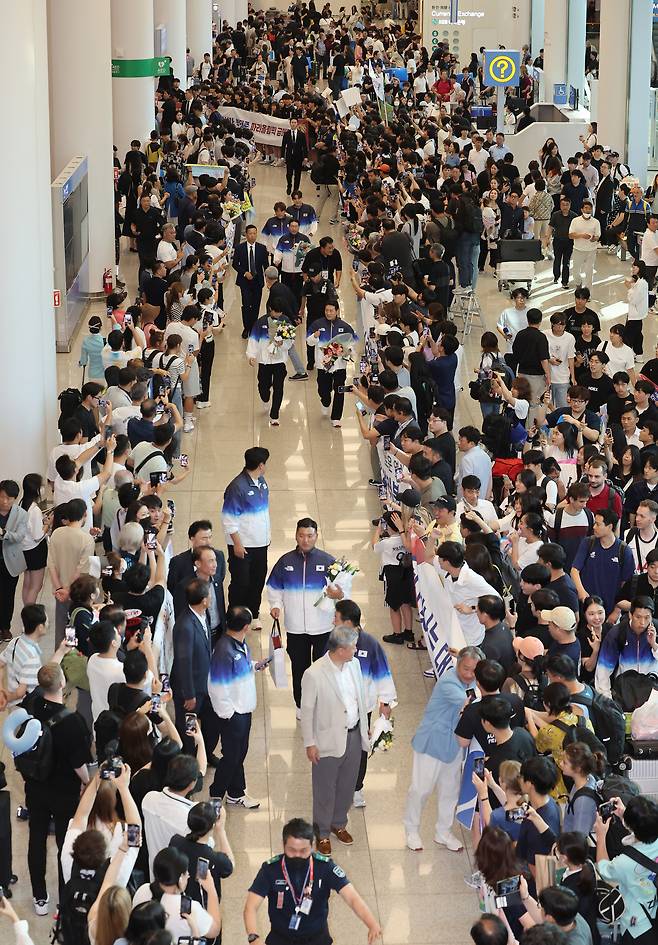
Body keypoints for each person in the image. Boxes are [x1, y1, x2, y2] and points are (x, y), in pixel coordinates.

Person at [244, 817, 382, 945]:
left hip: (317, 938)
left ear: (313, 846)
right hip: (280, 938)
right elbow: (251, 906)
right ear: (283, 844)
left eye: (303, 850)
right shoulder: (271, 869)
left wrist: (371, 923)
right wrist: (253, 938)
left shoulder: (325, 867)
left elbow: (352, 898)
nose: (297, 855)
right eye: (292, 850)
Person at [22, 663, 92, 914]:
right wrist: (88, 782)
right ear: (63, 684)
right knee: (66, 843)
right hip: (65, 792)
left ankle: (39, 897)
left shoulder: (30, 707)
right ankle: (65, 896)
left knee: (36, 839)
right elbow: (80, 766)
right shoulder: (72, 721)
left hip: (36, 785)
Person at [404, 645, 484, 852]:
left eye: (474, 670)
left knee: (450, 790)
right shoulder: (449, 682)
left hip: (455, 745)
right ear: (458, 664)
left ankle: (443, 832)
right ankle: (411, 830)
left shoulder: (475, 680)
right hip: (432, 744)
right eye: (465, 669)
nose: (469, 674)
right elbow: (472, 706)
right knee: (420, 790)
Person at [266, 518, 351, 713]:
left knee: (323, 668)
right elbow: (274, 587)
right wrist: (276, 605)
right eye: (301, 536)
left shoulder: (329, 561)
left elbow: (344, 590)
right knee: (299, 668)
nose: (305, 540)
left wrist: (339, 594)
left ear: (316, 536)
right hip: (295, 628)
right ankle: (301, 705)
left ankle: (322, 705)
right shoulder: (285, 562)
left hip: (323, 627)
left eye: (310, 536)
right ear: (296, 535)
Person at [300, 625, 370, 855]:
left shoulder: (355, 665)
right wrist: (310, 743)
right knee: (324, 789)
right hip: (326, 741)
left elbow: (360, 698)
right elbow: (307, 711)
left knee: (347, 786)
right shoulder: (314, 674)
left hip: (352, 736)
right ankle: (321, 832)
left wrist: (366, 728)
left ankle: (338, 823)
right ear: (340, 649)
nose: (356, 650)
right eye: (352, 647)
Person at [208, 606, 262, 808]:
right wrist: (228, 714)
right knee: (231, 757)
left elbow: (239, 669)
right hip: (233, 714)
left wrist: (254, 666)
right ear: (246, 627)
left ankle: (236, 793)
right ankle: (216, 794)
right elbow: (216, 687)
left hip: (244, 709)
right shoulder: (224, 651)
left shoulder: (239, 644)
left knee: (240, 753)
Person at [596, 796, 658, 944]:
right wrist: (625, 814)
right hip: (654, 911)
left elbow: (604, 870)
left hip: (636, 924)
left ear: (631, 826)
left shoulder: (624, 863)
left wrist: (601, 835)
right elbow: (644, 828)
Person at [169, 578, 219, 760]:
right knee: (188, 727)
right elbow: (184, 662)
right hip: (190, 690)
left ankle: (206, 753)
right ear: (204, 600)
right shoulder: (185, 626)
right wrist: (189, 695)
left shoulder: (203, 615)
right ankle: (189, 760)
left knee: (212, 722)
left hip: (205, 684)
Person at [222, 447, 271, 623]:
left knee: (257, 581)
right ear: (260, 465)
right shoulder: (237, 487)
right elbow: (228, 519)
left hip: (261, 544)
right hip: (243, 546)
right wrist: (237, 544)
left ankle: (253, 613)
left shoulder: (262, 481)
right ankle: (235, 616)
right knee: (241, 583)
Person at [132, 845, 222, 940]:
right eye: (186, 873)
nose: (188, 875)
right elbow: (214, 930)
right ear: (179, 879)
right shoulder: (190, 910)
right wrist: (211, 890)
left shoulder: (142, 890)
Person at [141, 753, 203, 878]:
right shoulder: (191, 816)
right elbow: (205, 848)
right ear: (192, 783)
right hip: (180, 879)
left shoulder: (149, 799)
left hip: (154, 873)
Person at [170, 801, 234, 908]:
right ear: (212, 825)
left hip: (179, 901)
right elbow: (230, 865)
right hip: (204, 909)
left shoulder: (175, 841)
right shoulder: (214, 858)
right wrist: (221, 831)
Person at [571, 509, 635, 615]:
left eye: (598, 524)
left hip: (611, 608)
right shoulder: (588, 543)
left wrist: (617, 611)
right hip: (587, 607)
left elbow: (626, 585)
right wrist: (581, 590)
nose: (594, 527)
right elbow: (574, 570)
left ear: (609, 527)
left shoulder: (624, 550)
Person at [437, 542, 502, 645]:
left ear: (447, 561)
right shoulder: (447, 570)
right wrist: (431, 538)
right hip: (454, 629)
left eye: (440, 557)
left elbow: (497, 601)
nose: (438, 560)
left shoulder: (472, 579)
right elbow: (428, 557)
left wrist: (472, 609)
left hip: (470, 637)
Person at [594, 595, 658, 698]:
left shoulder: (656, 629)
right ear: (630, 614)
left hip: (652, 690)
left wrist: (654, 645)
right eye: (638, 617)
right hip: (625, 689)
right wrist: (607, 700)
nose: (642, 623)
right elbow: (603, 670)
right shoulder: (617, 633)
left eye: (647, 617)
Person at [246, 303, 296, 427]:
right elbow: (253, 340)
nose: (278, 315)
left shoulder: (286, 322)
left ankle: (275, 415)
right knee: (263, 385)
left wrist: (282, 344)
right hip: (264, 361)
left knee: (278, 388)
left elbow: (290, 341)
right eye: (276, 312)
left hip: (279, 361)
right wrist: (251, 355)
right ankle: (265, 398)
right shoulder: (260, 322)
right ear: (270, 310)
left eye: (280, 313)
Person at [0, 481, 28, 640]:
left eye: (9, 498)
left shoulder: (21, 514)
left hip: (10, 561)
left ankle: (5, 627)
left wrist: (4, 533)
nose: (5, 501)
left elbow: (20, 536)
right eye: (2, 497)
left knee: (8, 595)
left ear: (15, 499)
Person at [233, 225, 269, 339]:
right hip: (245, 282)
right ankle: (246, 327)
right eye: (250, 233)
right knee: (246, 305)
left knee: (256, 305)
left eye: (254, 233)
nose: (252, 236)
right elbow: (235, 264)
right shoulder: (239, 248)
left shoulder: (262, 248)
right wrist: (245, 273)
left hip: (257, 281)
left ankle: (254, 327)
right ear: (246, 234)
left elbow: (265, 265)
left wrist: (268, 279)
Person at [281, 117, 308, 195]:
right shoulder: (286, 134)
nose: (293, 124)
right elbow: (283, 145)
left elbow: (304, 146)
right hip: (289, 157)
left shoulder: (301, 134)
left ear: (297, 123)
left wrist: (305, 157)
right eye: (292, 122)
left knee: (297, 174)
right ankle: (289, 185)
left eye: (295, 122)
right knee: (289, 174)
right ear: (290, 123)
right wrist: (282, 156)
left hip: (298, 157)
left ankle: (296, 189)